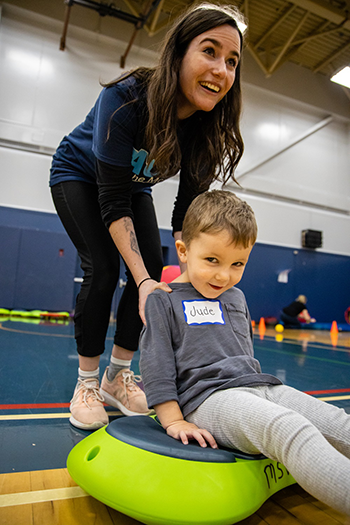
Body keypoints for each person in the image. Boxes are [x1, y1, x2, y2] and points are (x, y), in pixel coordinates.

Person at [49, 3, 246, 430]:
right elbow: (112, 200)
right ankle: (85, 382)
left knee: (155, 270)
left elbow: (188, 213)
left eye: (231, 62)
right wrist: (139, 280)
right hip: (79, 176)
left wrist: (192, 270)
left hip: (134, 186)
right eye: (209, 52)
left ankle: (117, 377)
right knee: (103, 268)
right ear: (178, 54)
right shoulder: (124, 98)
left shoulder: (204, 129)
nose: (221, 70)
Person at [140, 190, 350, 516]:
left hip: (259, 386)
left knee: (337, 422)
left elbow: (243, 353)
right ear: (183, 250)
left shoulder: (235, 297)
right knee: (288, 428)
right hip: (207, 400)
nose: (224, 275)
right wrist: (174, 420)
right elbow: (157, 365)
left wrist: (262, 394)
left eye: (237, 264)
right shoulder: (162, 300)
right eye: (212, 260)